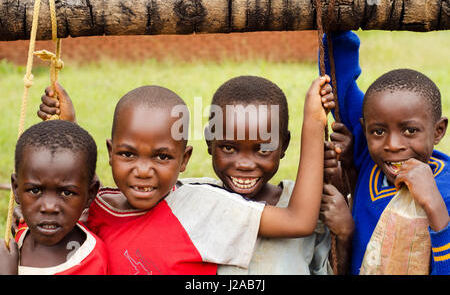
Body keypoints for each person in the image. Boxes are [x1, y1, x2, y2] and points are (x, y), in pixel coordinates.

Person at [34, 76, 333, 275]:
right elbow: (59, 193)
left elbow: (299, 220)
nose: (143, 170)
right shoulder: (99, 204)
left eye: (162, 157)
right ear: (110, 153)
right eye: (128, 155)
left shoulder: (201, 205)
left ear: (184, 159)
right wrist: (66, 128)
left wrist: (313, 122)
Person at [182, 75, 353, 274]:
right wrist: (313, 121)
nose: (244, 164)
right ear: (210, 141)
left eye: (263, 150)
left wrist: (344, 234)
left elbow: (331, 269)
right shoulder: (197, 199)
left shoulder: (310, 204)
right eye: (229, 148)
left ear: (284, 144)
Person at [322, 30, 450, 275]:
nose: (392, 145)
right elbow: (341, 83)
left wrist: (434, 205)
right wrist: (339, 29)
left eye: (410, 130)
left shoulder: (446, 187)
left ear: (438, 131)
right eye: (378, 132)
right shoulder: (369, 158)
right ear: (364, 129)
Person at [1, 120, 108, 275]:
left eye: (67, 193)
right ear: (16, 189)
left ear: (90, 194)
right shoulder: (24, 229)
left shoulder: (90, 263)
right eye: (35, 190)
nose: (49, 207)